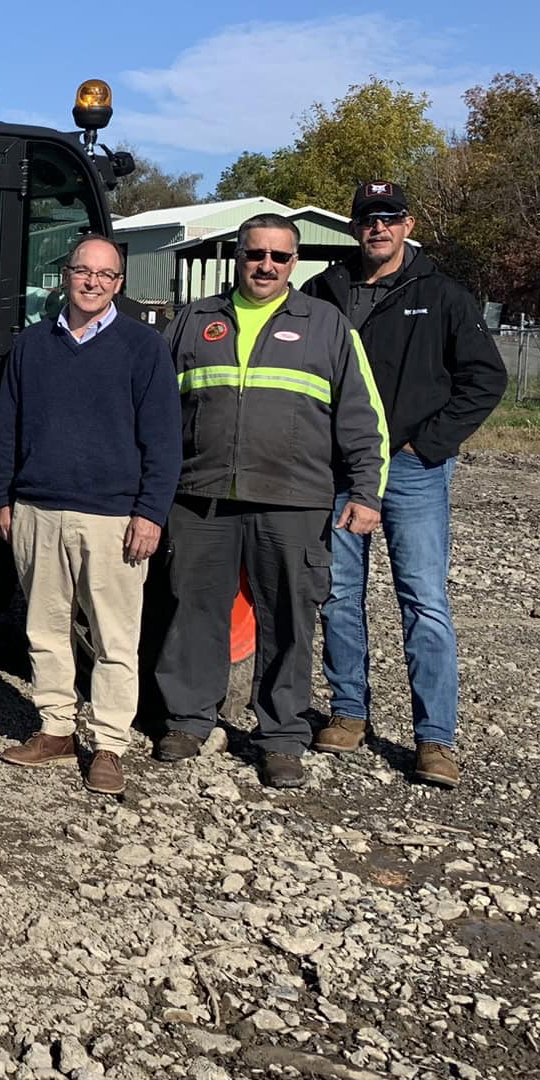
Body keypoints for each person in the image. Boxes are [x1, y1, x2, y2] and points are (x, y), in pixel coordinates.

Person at [154, 215, 388, 789]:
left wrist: (365, 492)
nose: (266, 265)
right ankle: (188, 720)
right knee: (192, 611)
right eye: (255, 253)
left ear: (294, 262)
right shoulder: (194, 320)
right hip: (200, 497)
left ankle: (281, 735)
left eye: (279, 257)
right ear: (238, 255)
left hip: (292, 502)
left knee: (287, 620)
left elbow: (362, 417)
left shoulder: (326, 325)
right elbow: (157, 413)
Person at [303, 181, 505, 788]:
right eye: (368, 219)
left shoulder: (440, 294)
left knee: (424, 601)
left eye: (389, 218)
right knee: (339, 594)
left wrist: (428, 445)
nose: (378, 228)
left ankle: (435, 739)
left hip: (413, 471)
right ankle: (348, 713)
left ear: (407, 225)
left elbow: (484, 379)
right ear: (354, 226)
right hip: (341, 470)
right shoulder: (324, 292)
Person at [0, 235, 180, 796]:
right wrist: (3, 499)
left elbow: (164, 441)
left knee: (114, 638)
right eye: (82, 271)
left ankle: (109, 743)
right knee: (45, 629)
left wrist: (150, 514)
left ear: (119, 283)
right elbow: (7, 429)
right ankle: (55, 729)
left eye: (105, 274)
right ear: (65, 277)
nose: (92, 282)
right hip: (37, 510)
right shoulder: (30, 347)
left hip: (114, 518)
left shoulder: (144, 348)